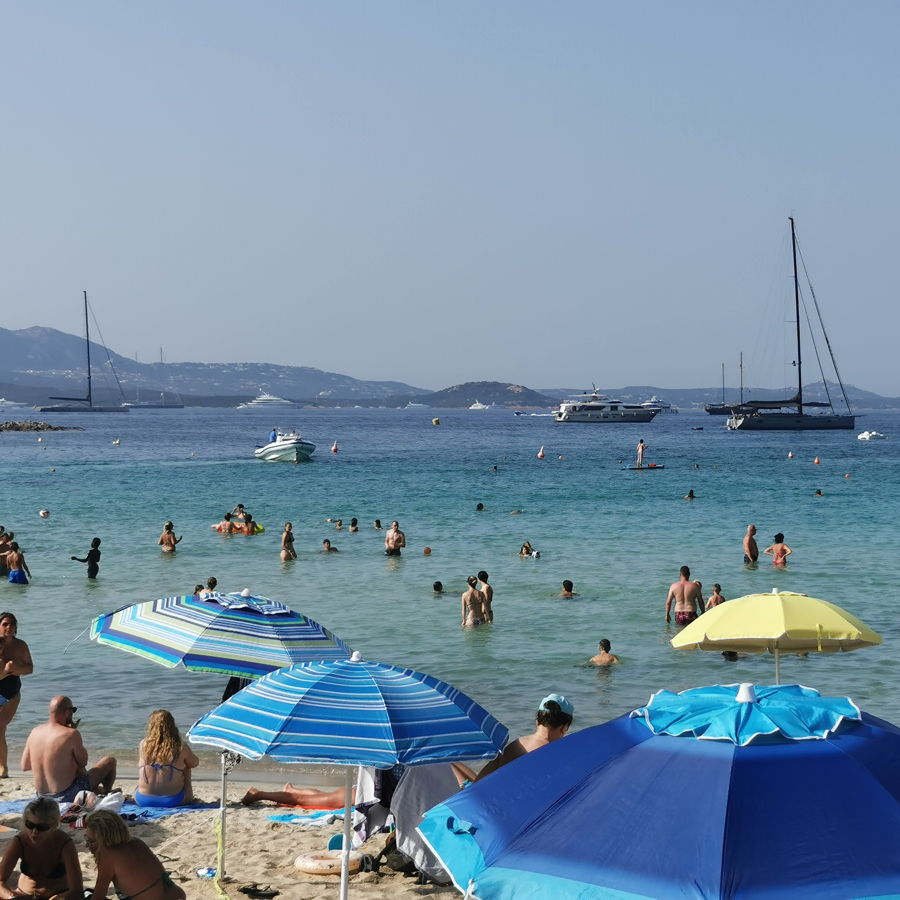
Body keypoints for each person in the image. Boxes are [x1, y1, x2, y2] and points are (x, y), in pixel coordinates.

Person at [21, 696, 117, 802]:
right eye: (73, 711)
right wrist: (72, 731)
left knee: (70, 764)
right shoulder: (70, 734)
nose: (73, 714)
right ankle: (108, 792)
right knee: (110, 761)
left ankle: (97, 790)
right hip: (67, 795)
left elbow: (25, 766)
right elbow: (83, 762)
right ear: (67, 712)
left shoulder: (35, 731)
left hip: (41, 796)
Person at [459, 695, 574, 783]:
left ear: (537, 721)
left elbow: (480, 779)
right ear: (564, 728)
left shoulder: (517, 743)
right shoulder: (556, 753)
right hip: (514, 808)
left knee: (455, 766)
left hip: (490, 797)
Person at [85, 809, 185, 900]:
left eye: (91, 841)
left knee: (87, 895)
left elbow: (97, 897)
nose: (87, 845)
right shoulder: (137, 842)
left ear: (106, 838)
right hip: (177, 896)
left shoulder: (108, 855)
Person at [0, 797, 83, 900]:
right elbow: (0, 881)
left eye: (42, 827)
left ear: (54, 826)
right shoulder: (20, 841)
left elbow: (77, 890)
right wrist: (12, 897)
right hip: (23, 895)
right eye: (30, 825)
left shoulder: (64, 844)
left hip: (58, 896)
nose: (34, 832)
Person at [135, 710, 199, 807]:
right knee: (187, 766)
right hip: (173, 801)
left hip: (142, 799)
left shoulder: (143, 744)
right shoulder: (180, 746)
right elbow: (195, 763)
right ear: (172, 726)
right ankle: (187, 795)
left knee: (146, 768)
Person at [0, 612, 34, 778]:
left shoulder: (20, 646)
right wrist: (6, 671)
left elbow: (30, 668)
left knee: (0, 727)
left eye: (12, 624)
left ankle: (3, 767)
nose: (9, 627)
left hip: (10, 694)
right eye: (5, 624)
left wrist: (16, 669)